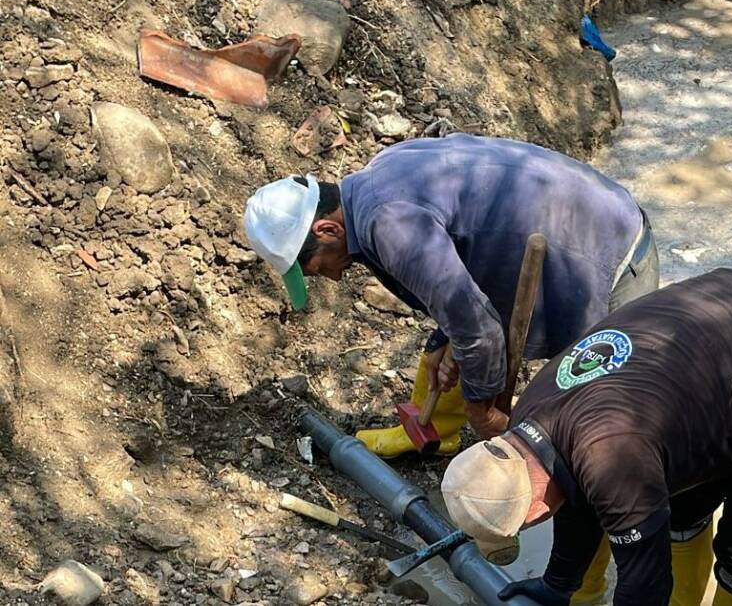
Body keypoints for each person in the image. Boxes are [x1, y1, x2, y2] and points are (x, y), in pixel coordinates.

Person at [440, 268, 732, 606]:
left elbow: (645, 583)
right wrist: (560, 585)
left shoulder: (611, 457)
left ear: (533, 509)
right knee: (681, 513)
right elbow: (574, 494)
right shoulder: (532, 414)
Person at [242, 133, 658, 457]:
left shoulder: (389, 224)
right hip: (577, 220)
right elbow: (463, 252)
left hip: (608, 254)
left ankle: (601, 555)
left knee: (603, 424)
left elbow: (479, 330)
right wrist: (446, 339)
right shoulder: (376, 177)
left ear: (327, 231)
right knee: (455, 345)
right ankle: (438, 433)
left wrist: (483, 411)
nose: (328, 279)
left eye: (313, 268)